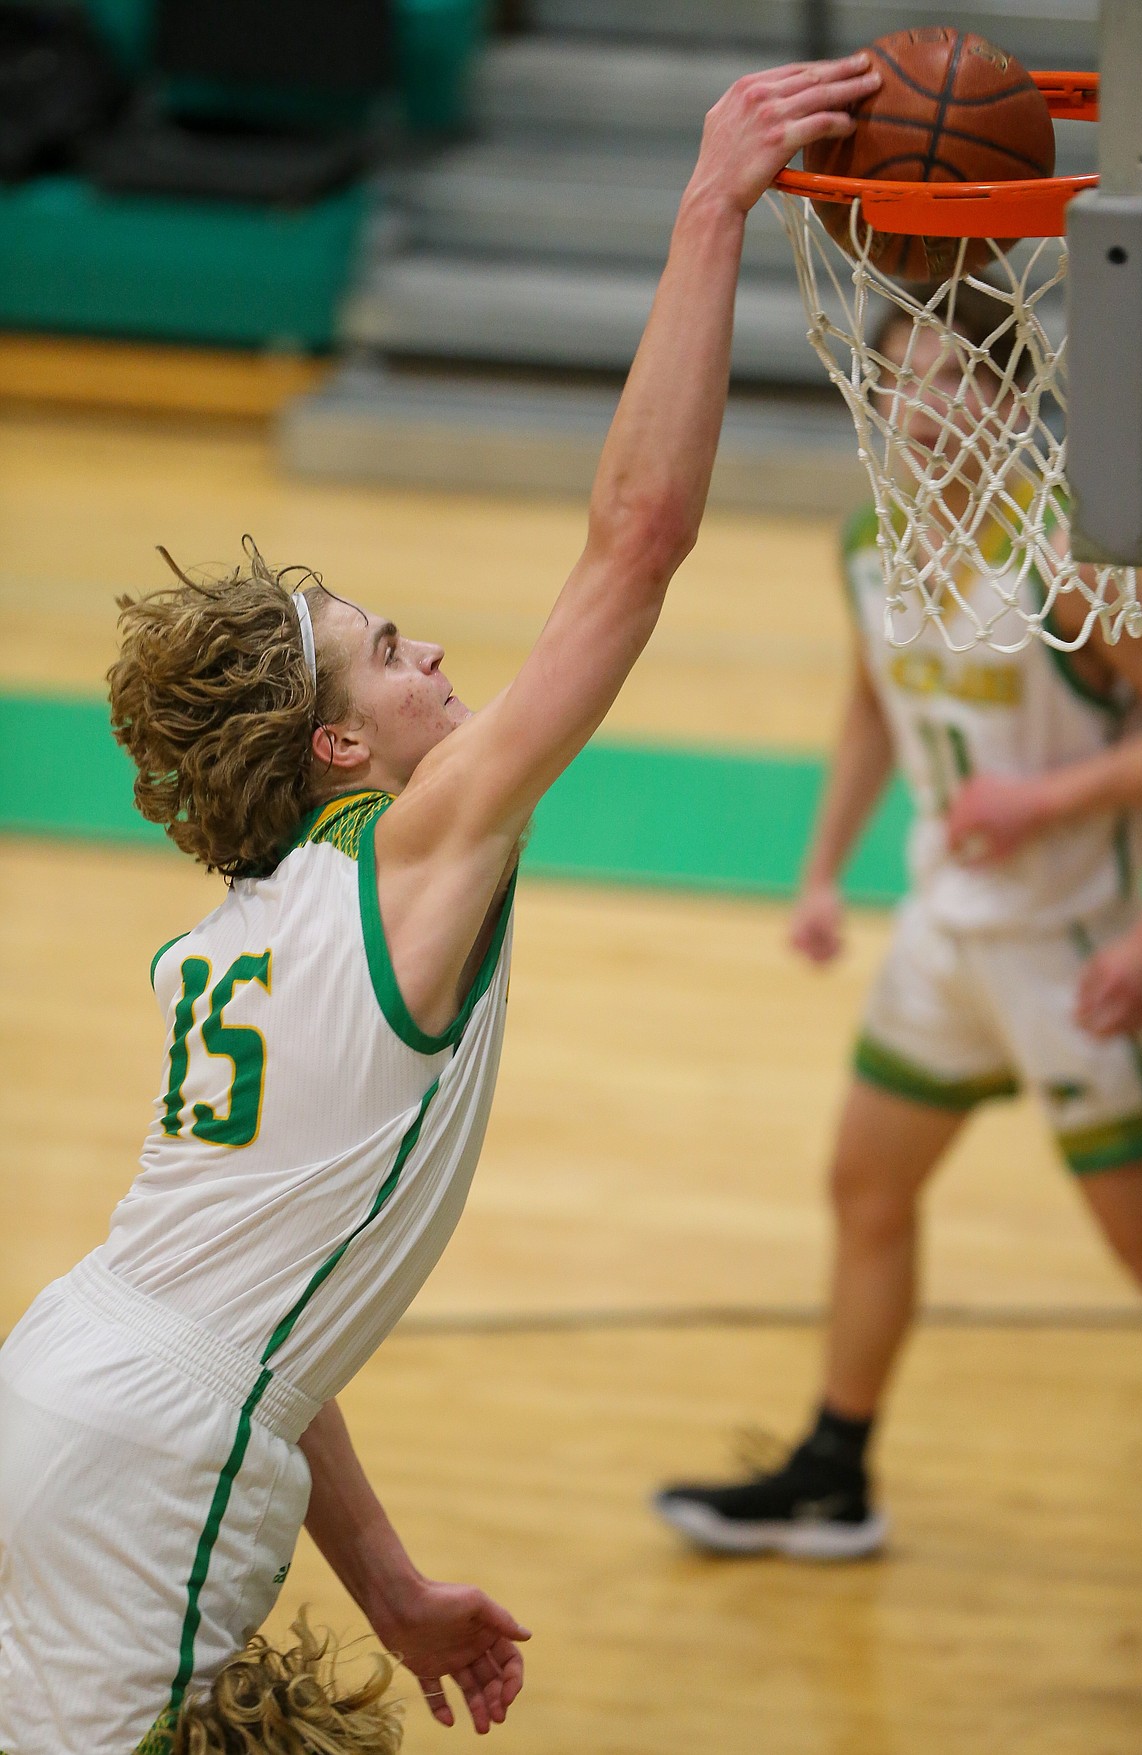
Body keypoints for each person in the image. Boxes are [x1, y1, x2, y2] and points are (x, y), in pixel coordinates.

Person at [0, 52, 883, 1755]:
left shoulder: (227, 942)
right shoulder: (408, 857)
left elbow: (259, 1320)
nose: (442, 662)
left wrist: (393, 1590)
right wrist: (712, 206)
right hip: (159, 1453)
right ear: (338, 744)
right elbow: (635, 545)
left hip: (80, 1387)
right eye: (398, 658)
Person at [653, 284, 1142, 1560]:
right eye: (901, 383)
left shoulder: (1081, 558)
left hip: (1078, 946)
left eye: (957, 379)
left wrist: (1064, 814)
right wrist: (822, 870)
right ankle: (836, 1469)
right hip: (946, 934)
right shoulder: (869, 546)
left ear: (1012, 397)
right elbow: (872, 705)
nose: (926, 409)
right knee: (865, 1187)